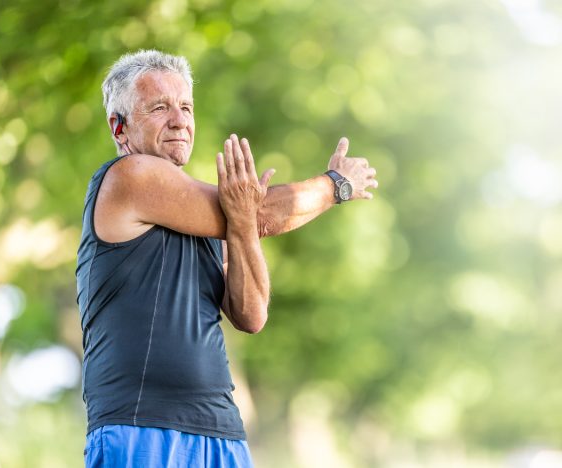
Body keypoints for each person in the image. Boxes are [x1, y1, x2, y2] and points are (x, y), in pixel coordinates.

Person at [76, 49, 378, 467]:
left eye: (185, 107)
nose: (179, 119)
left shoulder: (212, 218)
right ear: (120, 126)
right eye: (159, 107)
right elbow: (264, 214)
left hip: (220, 431)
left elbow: (251, 315)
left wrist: (242, 226)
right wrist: (335, 185)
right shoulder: (129, 177)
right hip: (141, 428)